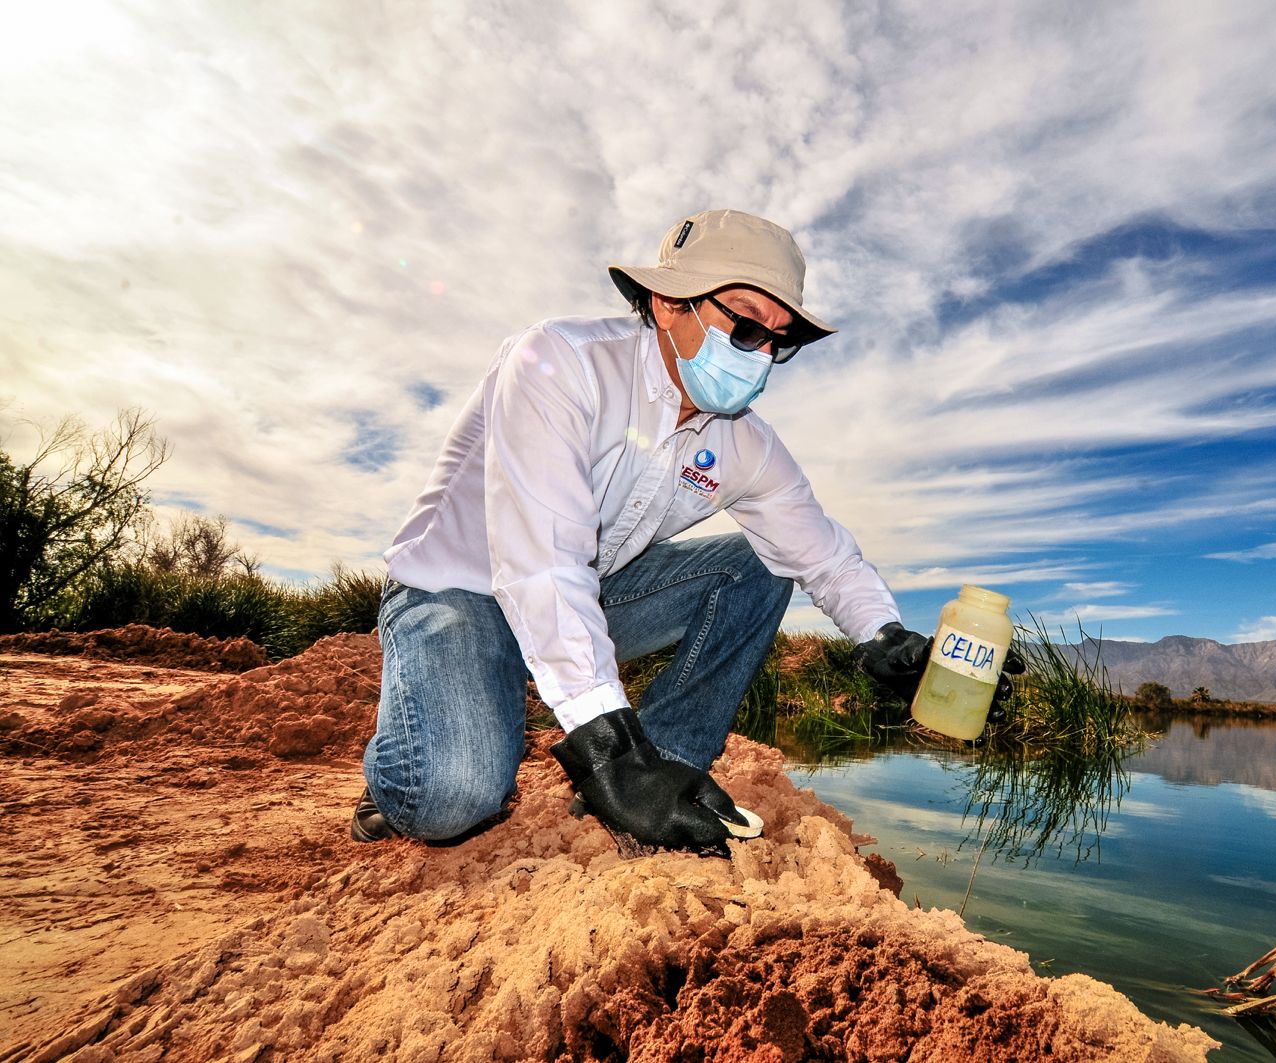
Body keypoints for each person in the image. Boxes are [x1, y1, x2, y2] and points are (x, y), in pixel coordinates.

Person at [352, 209, 1020, 854]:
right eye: (745, 325)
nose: (760, 356)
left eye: (777, 340)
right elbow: (543, 562)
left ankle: (662, 763)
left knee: (762, 563)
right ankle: (407, 767)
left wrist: (887, 635)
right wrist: (608, 752)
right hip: (455, 589)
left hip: (595, 591)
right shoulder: (559, 364)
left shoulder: (746, 445)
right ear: (672, 303)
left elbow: (823, 552)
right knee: (452, 796)